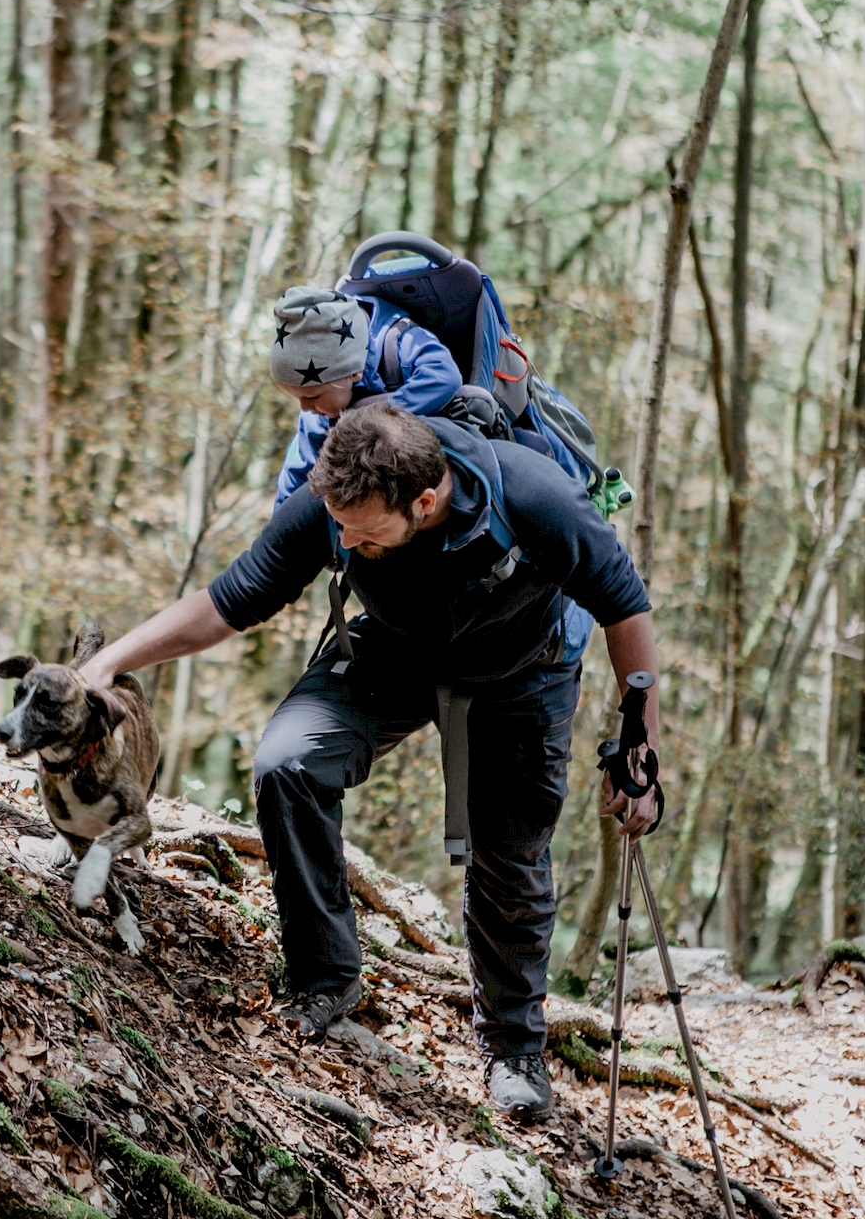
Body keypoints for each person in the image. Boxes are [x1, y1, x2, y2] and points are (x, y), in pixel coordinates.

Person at [80, 405, 661, 1123]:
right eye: (339, 525)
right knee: (288, 764)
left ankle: (514, 1047)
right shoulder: (335, 505)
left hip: (523, 674)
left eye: (362, 530)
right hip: (392, 654)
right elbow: (228, 601)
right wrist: (107, 662)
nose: (345, 539)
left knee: (508, 858)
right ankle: (325, 978)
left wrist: (639, 748)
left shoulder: (536, 497)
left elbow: (627, 611)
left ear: (425, 501)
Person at [267, 285, 462, 508]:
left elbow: (444, 376)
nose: (304, 407)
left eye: (312, 396)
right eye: (297, 397)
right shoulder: (318, 409)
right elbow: (297, 476)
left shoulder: (399, 340)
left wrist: (375, 417)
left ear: (354, 372)